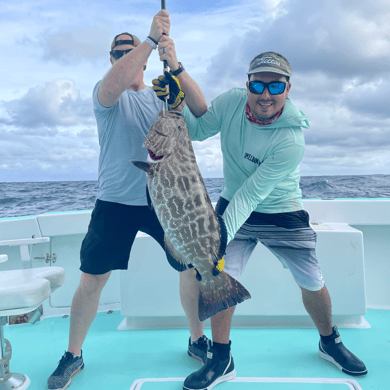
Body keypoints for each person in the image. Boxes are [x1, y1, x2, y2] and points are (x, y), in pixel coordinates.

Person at [153, 51, 368, 390]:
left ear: (287, 88)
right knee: (219, 276)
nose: (265, 94)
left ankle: (329, 341)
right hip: (232, 201)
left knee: (311, 280)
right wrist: (175, 106)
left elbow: (252, 196)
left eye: (275, 85)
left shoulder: (291, 139)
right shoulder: (232, 103)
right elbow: (195, 131)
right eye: (257, 84)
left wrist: (219, 233)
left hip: (281, 209)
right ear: (247, 84)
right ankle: (222, 358)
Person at [47, 10, 208, 390]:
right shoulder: (106, 94)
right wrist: (149, 41)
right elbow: (118, 81)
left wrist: (175, 65)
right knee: (93, 279)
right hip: (116, 201)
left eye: (129, 49)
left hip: (165, 198)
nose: (125, 56)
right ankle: (73, 355)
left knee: (190, 267)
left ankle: (197, 340)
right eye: (119, 52)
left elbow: (200, 110)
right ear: (112, 59)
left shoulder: (160, 95)